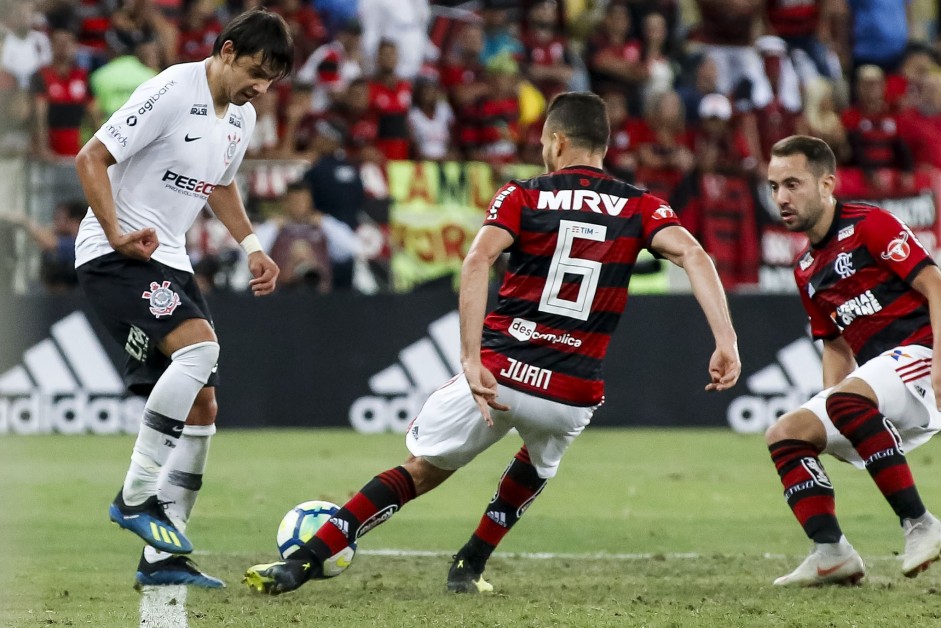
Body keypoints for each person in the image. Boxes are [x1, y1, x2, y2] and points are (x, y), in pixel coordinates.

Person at [243, 91, 742, 595]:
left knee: (421, 471)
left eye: (546, 141)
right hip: (571, 391)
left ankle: (301, 563)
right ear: (604, 146)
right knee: (536, 461)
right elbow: (696, 256)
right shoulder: (642, 205)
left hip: (502, 373)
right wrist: (726, 342)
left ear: (558, 140)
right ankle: (470, 564)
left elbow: (478, 261)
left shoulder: (523, 195)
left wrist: (469, 356)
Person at [73, 8, 292, 589]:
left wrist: (251, 245)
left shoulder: (239, 117)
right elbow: (90, 157)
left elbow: (217, 183)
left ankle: (162, 560)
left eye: (271, 80)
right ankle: (135, 497)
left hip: (167, 258)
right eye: (255, 71)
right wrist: (117, 231)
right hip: (115, 251)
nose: (261, 88)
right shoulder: (171, 87)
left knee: (203, 408)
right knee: (199, 351)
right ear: (224, 51)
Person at [765, 135, 941, 587]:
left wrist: (940, 362)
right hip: (883, 379)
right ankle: (832, 553)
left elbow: (935, 286)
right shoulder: (805, 266)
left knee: (845, 402)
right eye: (773, 187)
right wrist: (825, 407)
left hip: (923, 354)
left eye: (792, 184)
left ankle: (921, 524)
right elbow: (835, 344)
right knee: (786, 434)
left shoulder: (870, 224)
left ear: (827, 184)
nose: (781, 198)